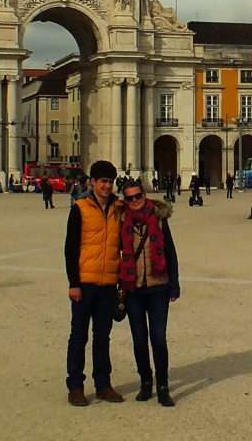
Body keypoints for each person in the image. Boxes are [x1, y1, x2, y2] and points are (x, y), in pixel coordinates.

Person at [64, 160, 124, 407]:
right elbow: (70, 248)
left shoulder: (119, 209)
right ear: (92, 183)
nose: (106, 186)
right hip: (85, 283)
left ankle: (103, 385)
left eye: (110, 182)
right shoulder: (79, 208)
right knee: (79, 336)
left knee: (103, 337)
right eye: (102, 182)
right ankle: (75, 386)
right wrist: (73, 283)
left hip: (108, 284)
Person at [119, 180, 180, 407]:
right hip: (134, 289)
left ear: (144, 195)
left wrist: (174, 284)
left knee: (158, 339)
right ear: (125, 200)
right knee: (139, 340)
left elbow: (171, 252)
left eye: (138, 196)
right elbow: (117, 254)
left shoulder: (160, 220)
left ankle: (162, 386)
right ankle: (146, 382)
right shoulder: (122, 221)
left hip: (158, 287)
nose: (135, 201)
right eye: (130, 198)